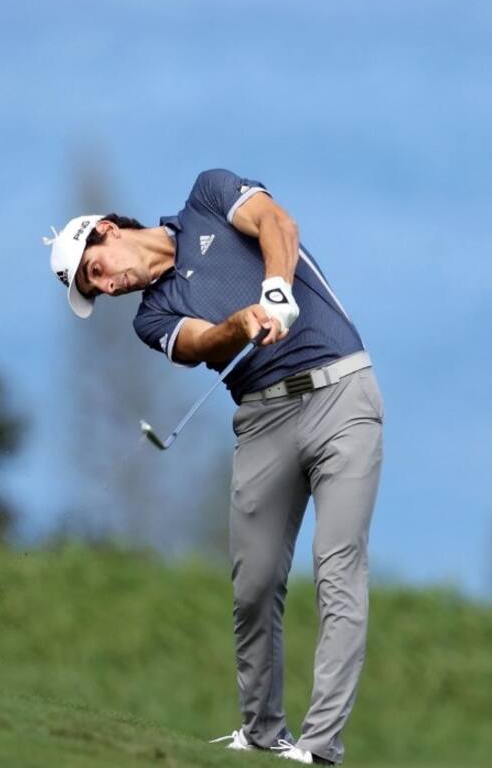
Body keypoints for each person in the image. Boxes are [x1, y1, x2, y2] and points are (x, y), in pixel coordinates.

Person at [43, 169, 383, 765]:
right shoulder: (151, 319)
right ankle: (260, 735)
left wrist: (277, 287)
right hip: (262, 422)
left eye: (96, 272)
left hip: (342, 395)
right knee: (252, 587)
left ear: (106, 231)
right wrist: (241, 324)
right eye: (96, 291)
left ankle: (320, 749)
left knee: (337, 570)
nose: (108, 286)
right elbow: (202, 344)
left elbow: (279, 223)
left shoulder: (208, 196)